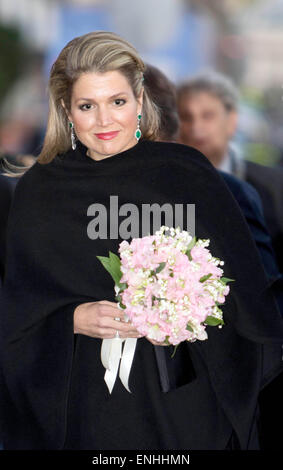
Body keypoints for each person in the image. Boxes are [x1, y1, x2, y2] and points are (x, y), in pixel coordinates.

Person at [1, 32, 283, 451]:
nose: (105, 120)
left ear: (139, 100)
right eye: (87, 106)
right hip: (82, 415)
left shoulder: (189, 175)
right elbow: (15, 310)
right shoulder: (40, 192)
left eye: (117, 101)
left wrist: (189, 305)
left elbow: (251, 299)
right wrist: (69, 320)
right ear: (66, 110)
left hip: (188, 411)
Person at [176, 72, 283, 275]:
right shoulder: (161, 186)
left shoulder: (272, 188)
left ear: (231, 120)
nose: (196, 128)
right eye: (186, 117)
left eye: (207, 116)